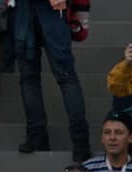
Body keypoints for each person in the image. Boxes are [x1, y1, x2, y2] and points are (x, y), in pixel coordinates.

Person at [14, 0, 90, 162]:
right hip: (32, 8)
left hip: (43, 9)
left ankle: (76, 141)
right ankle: (76, 142)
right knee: (37, 78)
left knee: (55, 77)